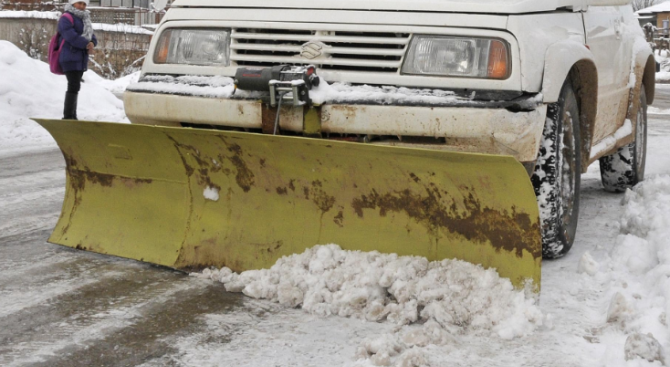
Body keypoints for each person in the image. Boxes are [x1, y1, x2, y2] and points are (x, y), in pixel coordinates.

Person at [58, 0, 97, 120]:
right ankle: (68, 116)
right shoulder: (66, 18)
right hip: (69, 57)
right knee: (73, 85)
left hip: (80, 58)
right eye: (79, 3)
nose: (82, 6)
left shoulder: (85, 19)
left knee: (75, 86)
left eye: (84, 4)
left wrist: (92, 43)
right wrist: (86, 44)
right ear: (73, 3)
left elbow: (93, 36)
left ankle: (71, 116)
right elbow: (70, 36)